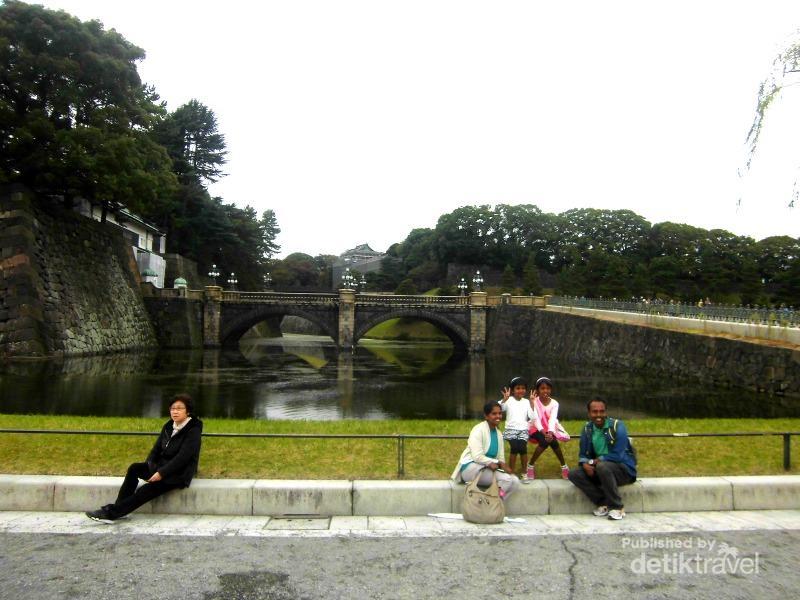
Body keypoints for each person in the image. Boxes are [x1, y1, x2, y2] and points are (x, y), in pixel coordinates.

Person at [85, 393, 203, 523]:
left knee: (146, 490)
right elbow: (156, 449)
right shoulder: (169, 426)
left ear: (188, 411)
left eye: (179, 408)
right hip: (161, 467)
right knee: (134, 468)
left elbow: (183, 458)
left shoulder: (193, 429)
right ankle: (120, 508)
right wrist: (150, 466)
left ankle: (111, 513)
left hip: (178, 473)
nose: (175, 411)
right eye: (172, 408)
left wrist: (161, 473)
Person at [567, 398, 637, 520]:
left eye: (602, 411)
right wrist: (585, 464)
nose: (598, 415)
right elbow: (583, 454)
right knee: (574, 474)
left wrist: (595, 461)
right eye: (595, 412)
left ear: (606, 412)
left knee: (603, 466)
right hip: (601, 469)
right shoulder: (587, 429)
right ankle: (603, 503)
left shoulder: (618, 426)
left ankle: (617, 507)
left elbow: (618, 455)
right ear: (589, 414)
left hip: (623, 471)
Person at [451, 401, 520, 500]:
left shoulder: (499, 434)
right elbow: (477, 456)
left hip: (489, 468)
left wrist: (503, 467)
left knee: (515, 481)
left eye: (500, 413)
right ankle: (488, 504)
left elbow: (501, 459)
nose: (498, 416)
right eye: (494, 414)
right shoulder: (478, 430)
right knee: (507, 480)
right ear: (486, 416)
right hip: (471, 468)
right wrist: (496, 462)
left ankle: (496, 504)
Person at [525, 377, 570, 481]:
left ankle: (563, 466)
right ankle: (530, 466)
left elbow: (553, 419)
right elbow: (535, 420)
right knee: (546, 441)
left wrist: (550, 432)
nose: (545, 391)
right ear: (537, 390)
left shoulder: (555, 403)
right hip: (535, 428)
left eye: (548, 388)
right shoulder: (534, 401)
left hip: (549, 427)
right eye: (542, 388)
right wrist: (544, 433)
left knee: (552, 441)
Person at [498, 376, 536, 479]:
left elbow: (532, 417)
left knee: (523, 448)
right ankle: (511, 472)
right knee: (515, 447)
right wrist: (503, 400)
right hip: (510, 430)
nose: (521, 390)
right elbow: (499, 409)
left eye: (523, 388)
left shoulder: (527, 402)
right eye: (518, 388)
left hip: (523, 430)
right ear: (513, 390)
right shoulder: (509, 400)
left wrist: (533, 404)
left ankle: (524, 472)